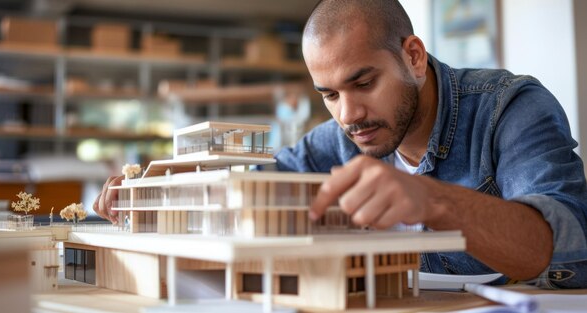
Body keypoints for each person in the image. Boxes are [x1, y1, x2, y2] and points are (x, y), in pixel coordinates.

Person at [95, 0, 587, 288]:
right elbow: (254, 185)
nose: (348, 115)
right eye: (329, 94)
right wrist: (162, 185)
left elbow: (564, 249)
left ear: (413, 57)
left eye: (364, 83)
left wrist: (436, 201)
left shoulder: (511, 108)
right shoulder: (343, 139)